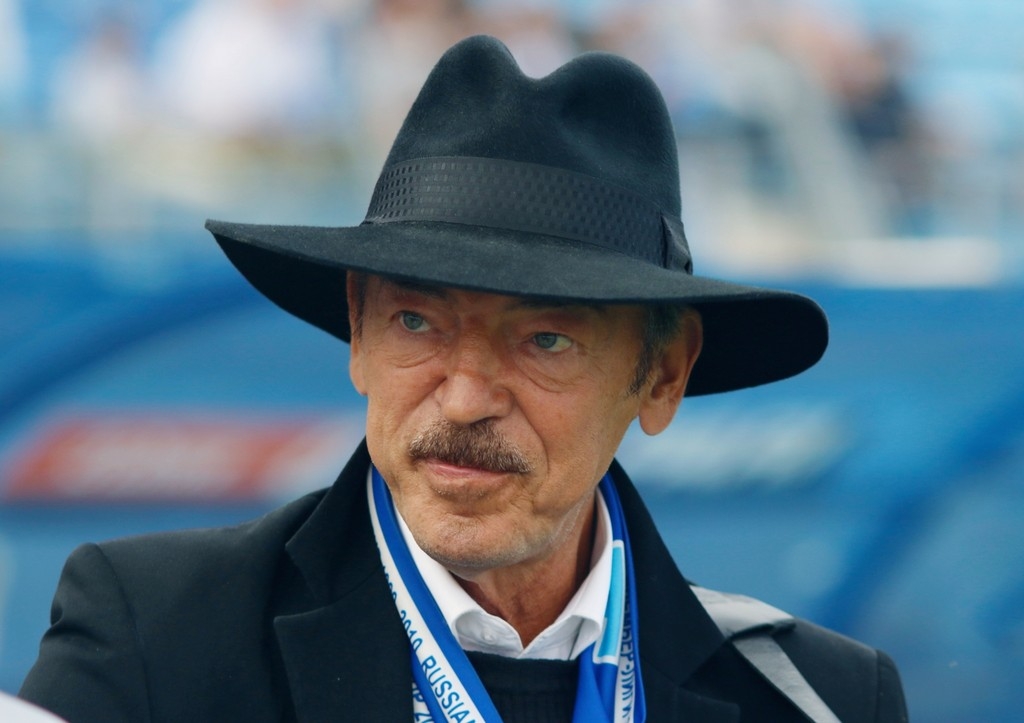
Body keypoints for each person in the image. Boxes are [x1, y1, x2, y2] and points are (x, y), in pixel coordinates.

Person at [19, 35, 908, 722]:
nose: (465, 397)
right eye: (417, 322)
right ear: (358, 331)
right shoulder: (157, 635)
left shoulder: (817, 699)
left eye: (545, 339)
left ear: (663, 375)